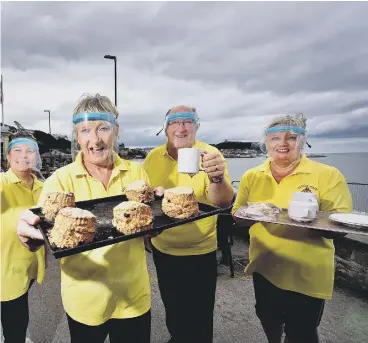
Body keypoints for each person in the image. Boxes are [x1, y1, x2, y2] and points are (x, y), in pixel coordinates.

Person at [16, 94, 151, 343]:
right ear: (77, 137)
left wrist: (158, 215)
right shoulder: (60, 181)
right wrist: (29, 237)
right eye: (85, 130)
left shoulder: (135, 172)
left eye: (103, 128)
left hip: (133, 296)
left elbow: (148, 232)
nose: (95, 139)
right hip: (85, 300)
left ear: (117, 132)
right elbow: (43, 234)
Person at [232, 113, 353, 343]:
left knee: (302, 332)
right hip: (265, 265)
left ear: (303, 141)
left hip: (307, 271)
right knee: (267, 318)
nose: (283, 143)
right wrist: (252, 215)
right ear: (266, 143)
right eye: (275, 138)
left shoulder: (328, 175)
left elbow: (341, 227)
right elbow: (238, 216)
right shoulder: (252, 176)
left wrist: (307, 218)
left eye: (292, 137)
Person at [143, 105, 234, 343]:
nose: (182, 127)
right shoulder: (153, 158)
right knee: (172, 309)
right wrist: (146, 235)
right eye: (175, 122)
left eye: (188, 121)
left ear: (197, 127)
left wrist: (216, 177)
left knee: (200, 316)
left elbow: (223, 202)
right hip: (163, 248)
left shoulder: (210, 154)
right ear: (166, 128)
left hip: (199, 249)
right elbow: (148, 199)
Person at [1, 132, 45, 343]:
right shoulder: (3, 182)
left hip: (31, 264)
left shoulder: (43, 187)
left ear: (36, 156)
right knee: (15, 319)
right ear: (7, 157)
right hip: (6, 268)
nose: (23, 156)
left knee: (18, 309)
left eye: (29, 151)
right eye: (17, 150)